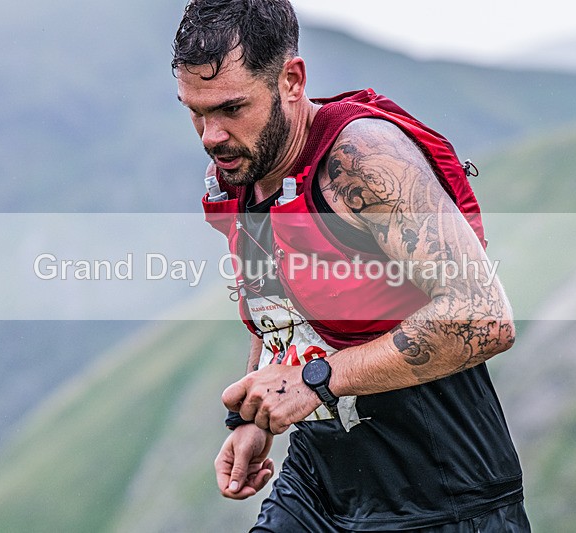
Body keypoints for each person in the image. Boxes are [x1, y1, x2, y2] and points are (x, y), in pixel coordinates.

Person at [172, 1, 531, 530]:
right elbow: (278, 306)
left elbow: (484, 319)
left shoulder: (362, 159)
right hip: (318, 483)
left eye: (231, 108)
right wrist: (252, 417)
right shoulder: (244, 164)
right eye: (195, 110)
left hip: (444, 497)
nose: (211, 135)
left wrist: (314, 382)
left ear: (291, 80)